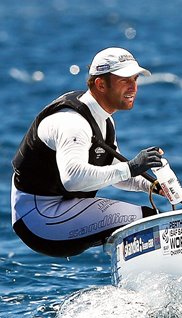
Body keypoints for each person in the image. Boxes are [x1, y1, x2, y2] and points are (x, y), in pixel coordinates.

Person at [11, 47, 164, 258]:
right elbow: (73, 179)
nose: (133, 87)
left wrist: (154, 186)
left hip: (61, 210)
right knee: (150, 221)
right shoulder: (72, 122)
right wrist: (131, 167)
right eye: (124, 80)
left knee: (151, 221)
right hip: (38, 219)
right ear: (101, 84)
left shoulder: (104, 120)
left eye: (135, 79)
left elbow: (114, 174)